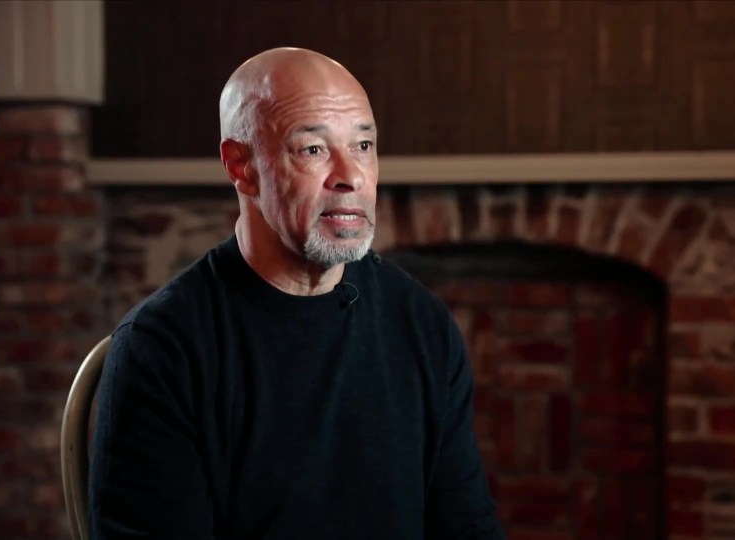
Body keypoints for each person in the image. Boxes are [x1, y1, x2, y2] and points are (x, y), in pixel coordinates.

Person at [89, 47, 504, 539]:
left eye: (364, 146)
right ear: (241, 165)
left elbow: (466, 528)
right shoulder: (164, 349)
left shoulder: (420, 323)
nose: (350, 176)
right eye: (313, 149)